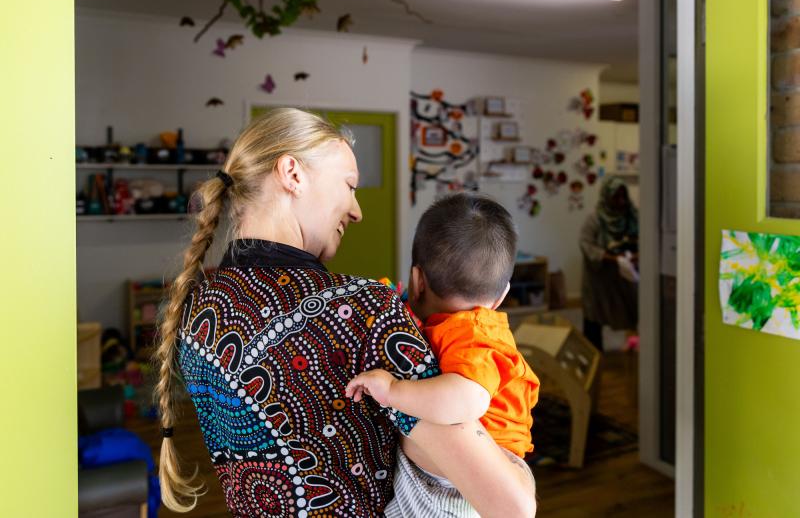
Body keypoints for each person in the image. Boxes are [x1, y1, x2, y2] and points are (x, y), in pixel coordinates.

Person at [154, 108, 536, 517]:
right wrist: (519, 470)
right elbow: (511, 506)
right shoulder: (364, 309)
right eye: (349, 186)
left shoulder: (201, 311)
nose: (357, 211)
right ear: (292, 174)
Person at [346, 193, 540, 517]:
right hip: (445, 470)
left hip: (466, 482)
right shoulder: (437, 320)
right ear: (501, 296)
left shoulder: (476, 334)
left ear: (418, 279)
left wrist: (394, 391)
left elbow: (466, 402)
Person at [579, 176, 639, 351]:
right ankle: (594, 354)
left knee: (633, 311)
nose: (620, 201)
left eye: (623, 196)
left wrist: (636, 256)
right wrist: (612, 258)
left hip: (626, 277)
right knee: (595, 316)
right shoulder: (596, 219)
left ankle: (635, 346)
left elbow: (646, 240)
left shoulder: (633, 217)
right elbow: (586, 244)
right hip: (600, 279)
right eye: (616, 197)